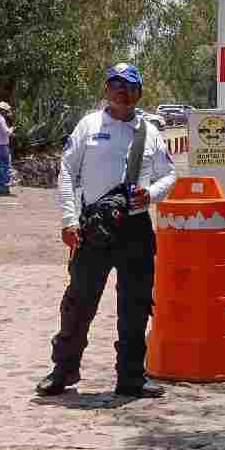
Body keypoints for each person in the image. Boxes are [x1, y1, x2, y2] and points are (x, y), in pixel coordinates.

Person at [36, 63, 177, 399]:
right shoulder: (89, 125)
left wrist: (152, 194)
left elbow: (169, 175)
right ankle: (64, 371)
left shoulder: (151, 132)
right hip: (93, 228)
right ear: (106, 90)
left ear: (139, 92)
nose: (122, 92)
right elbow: (68, 173)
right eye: (115, 85)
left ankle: (130, 378)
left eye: (129, 86)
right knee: (79, 302)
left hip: (135, 229)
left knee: (136, 305)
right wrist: (69, 221)